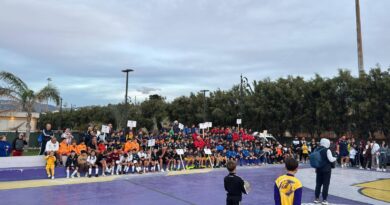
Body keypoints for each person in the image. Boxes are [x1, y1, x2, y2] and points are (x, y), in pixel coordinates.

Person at [314, 138, 337, 205]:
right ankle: (324, 199)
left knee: (318, 184)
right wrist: (335, 158)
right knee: (325, 185)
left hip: (318, 169)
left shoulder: (316, 149)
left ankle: (316, 198)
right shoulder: (327, 150)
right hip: (326, 170)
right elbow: (331, 159)